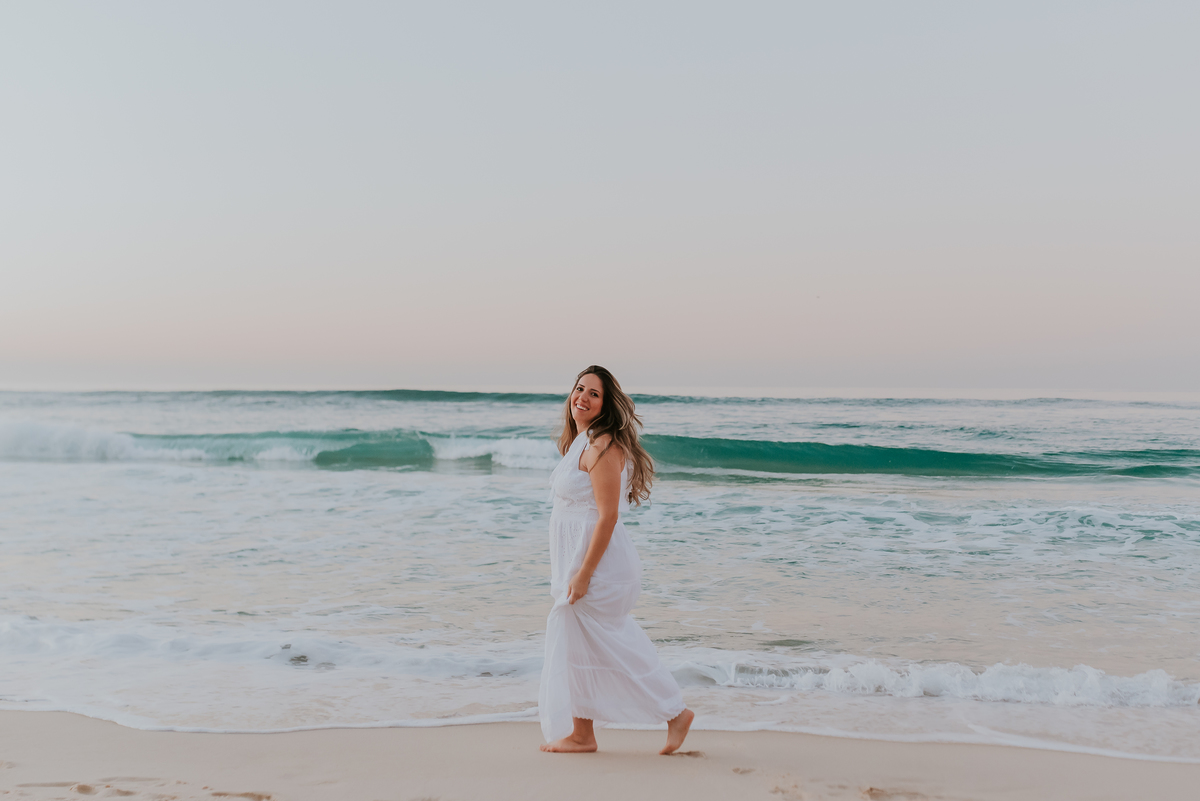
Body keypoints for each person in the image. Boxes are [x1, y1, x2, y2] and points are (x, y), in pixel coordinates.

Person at [538, 365, 694, 754]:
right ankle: (583, 735)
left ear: (606, 405)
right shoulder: (581, 443)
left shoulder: (602, 447)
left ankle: (675, 713)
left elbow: (607, 517)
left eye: (594, 394)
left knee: (614, 643)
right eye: (579, 389)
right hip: (578, 560)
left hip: (599, 565)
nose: (582, 398)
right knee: (579, 642)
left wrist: (584, 573)